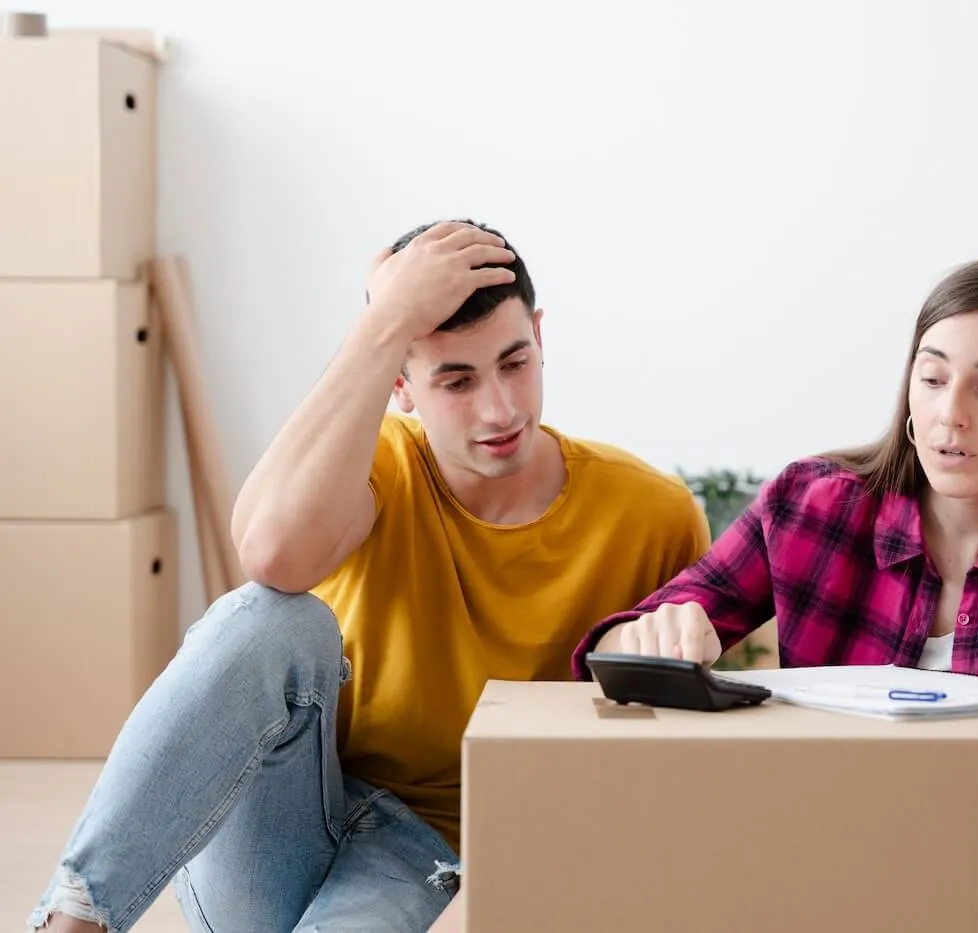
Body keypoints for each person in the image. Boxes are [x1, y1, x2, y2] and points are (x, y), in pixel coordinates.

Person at [30, 220, 710, 933]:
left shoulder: (651, 514)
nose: (500, 409)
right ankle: (74, 919)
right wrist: (382, 321)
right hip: (285, 820)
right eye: (455, 380)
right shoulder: (375, 464)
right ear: (400, 384)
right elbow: (270, 552)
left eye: (515, 363)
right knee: (270, 616)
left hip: (431, 849)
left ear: (540, 336)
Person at [572, 254, 978, 692]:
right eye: (932, 380)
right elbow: (612, 651)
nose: (950, 416)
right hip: (830, 833)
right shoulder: (812, 504)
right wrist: (651, 641)